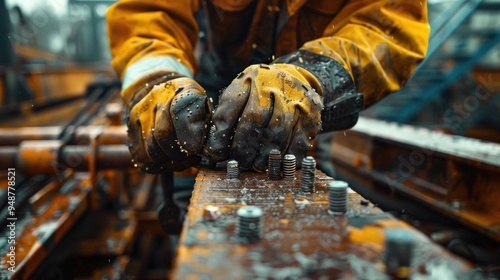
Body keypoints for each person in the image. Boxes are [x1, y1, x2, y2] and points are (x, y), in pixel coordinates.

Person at [106, 0, 429, 174]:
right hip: (206, 91)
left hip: (302, 111)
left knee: (301, 187)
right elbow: (150, 16)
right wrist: (157, 82)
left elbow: (387, 29)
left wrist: (309, 78)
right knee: (189, 171)